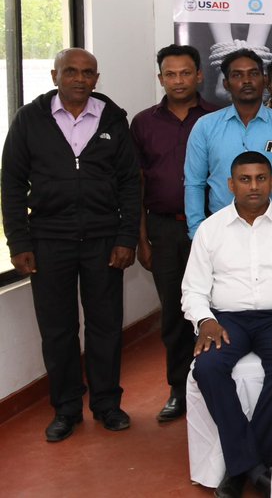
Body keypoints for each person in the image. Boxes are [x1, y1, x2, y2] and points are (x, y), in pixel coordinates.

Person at [2, 48, 140, 441]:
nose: (79, 79)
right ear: (54, 75)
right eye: (71, 72)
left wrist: (126, 236)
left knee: (105, 326)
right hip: (48, 242)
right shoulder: (30, 120)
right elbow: (11, 184)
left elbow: (131, 183)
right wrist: (19, 242)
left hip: (103, 240)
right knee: (58, 330)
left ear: (97, 79)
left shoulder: (113, 120)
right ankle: (65, 409)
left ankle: (107, 404)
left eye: (88, 73)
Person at [182, 151, 272, 496]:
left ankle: (240, 466)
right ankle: (257, 468)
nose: (253, 186)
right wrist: (205, 321)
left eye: (261, 178)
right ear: (231, 184)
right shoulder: (210, 230)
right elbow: (193, 289)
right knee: (207, 367)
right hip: (227, 320)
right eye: (245, 179)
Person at [130, 44, 218, 423]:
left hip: (212, 228)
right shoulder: (144, 123)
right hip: (164, 228)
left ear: (199, 75)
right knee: (173, 312)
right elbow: (134, 183)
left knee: (214, 307)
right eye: (170, 74)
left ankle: (213, 387)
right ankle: (178, 389)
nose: (178, 80)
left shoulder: (217, 118)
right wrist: (142, 239)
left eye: (186, 73)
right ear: (160, 78)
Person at [183, 48, 272, 238]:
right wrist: (197, 232)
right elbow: (194, 183)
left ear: (264, 81)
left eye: (253, 74)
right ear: (226, 84)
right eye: (237, 75)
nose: (247, 81)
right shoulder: (206, 127)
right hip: (220, 231)